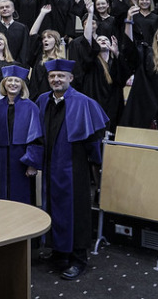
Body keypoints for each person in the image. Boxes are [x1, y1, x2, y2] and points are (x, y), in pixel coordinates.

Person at [36, 59, 108, 280]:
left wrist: (96, 163)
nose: (56, 79)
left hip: (74, 166)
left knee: (76, 211)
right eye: (52, 76)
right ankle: (59, 252)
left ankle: (78, 259)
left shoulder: (84, 103)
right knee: (53, 207)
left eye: (61, 76)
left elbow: (94, 140)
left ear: (70, 78)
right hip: (50, 165)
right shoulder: (42, 100)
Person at [0, 65, 42, 204]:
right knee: (1, 195)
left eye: (17, 81)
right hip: (0, 157)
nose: (13, 84)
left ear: (22, 85)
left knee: (22, 195)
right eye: (9, 80)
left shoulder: (31, 107)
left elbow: (37, 138)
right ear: (4, 83)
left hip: (21, 157)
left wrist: (32, 164)